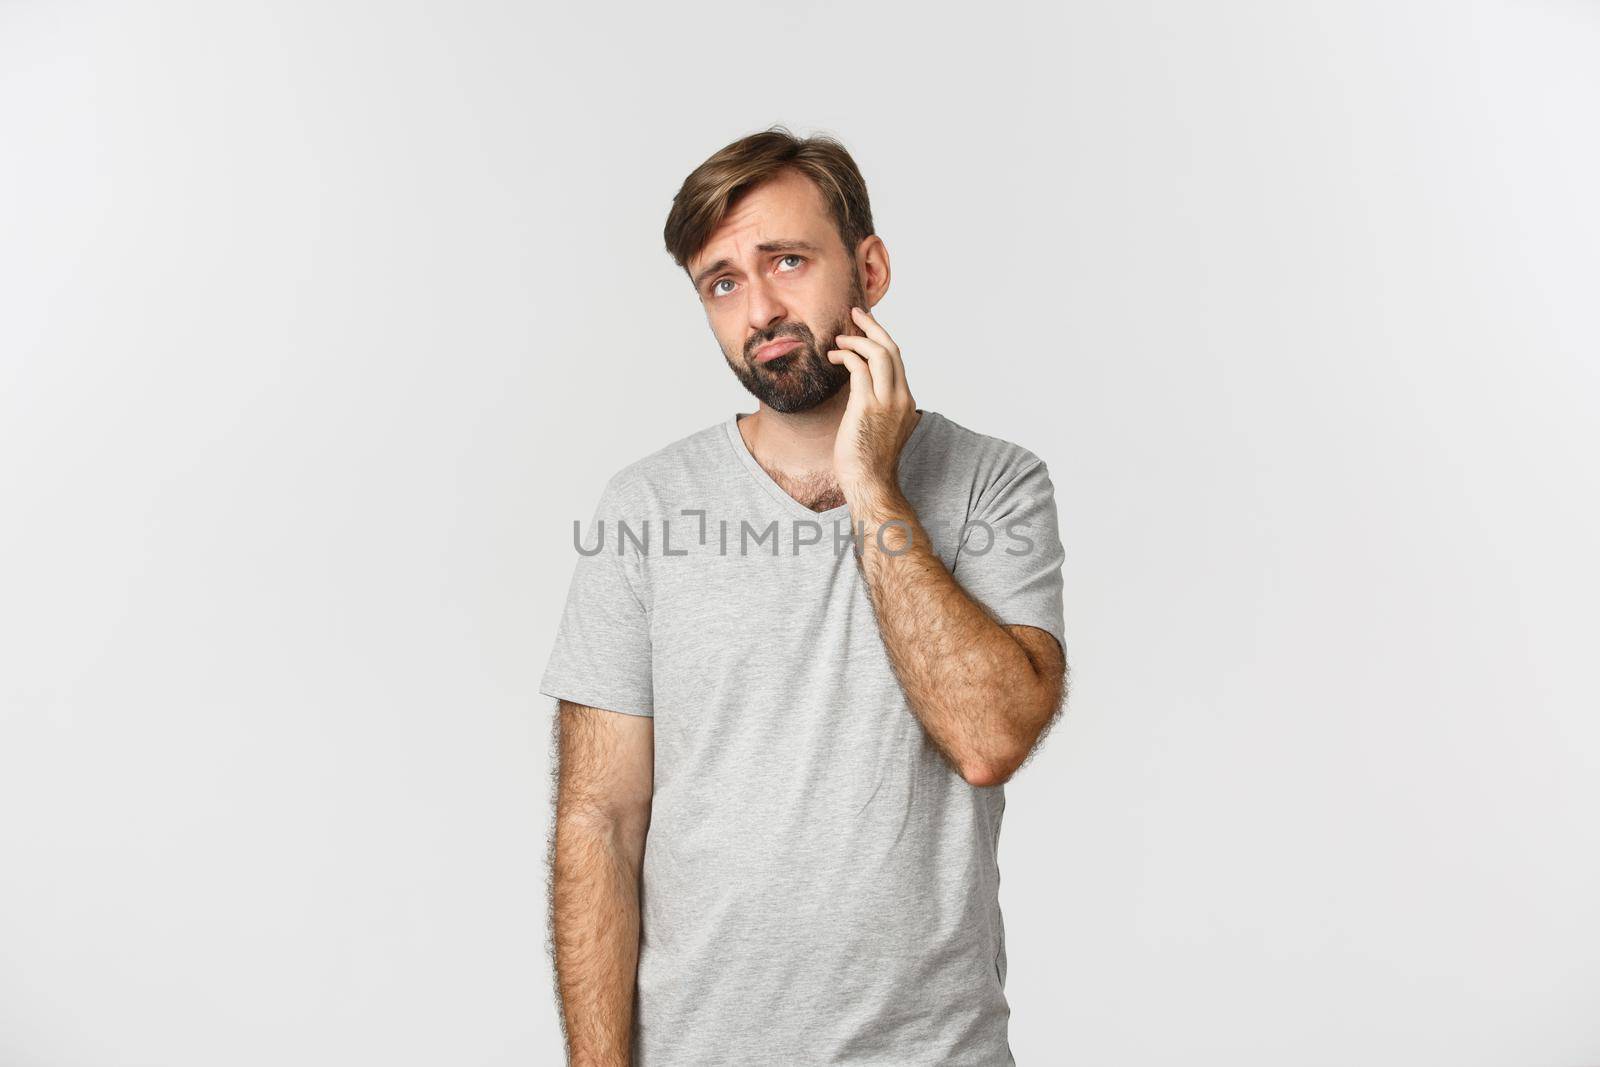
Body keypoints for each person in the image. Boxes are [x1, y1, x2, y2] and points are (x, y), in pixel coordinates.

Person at [541, 126, 1069, 1066]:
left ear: (870, 265)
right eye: (724, 282)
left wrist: (870, 483)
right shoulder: (645, 508)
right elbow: (600, 822)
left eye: (788, 260)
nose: (762, 308)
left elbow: (989, 739)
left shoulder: (996, 484)